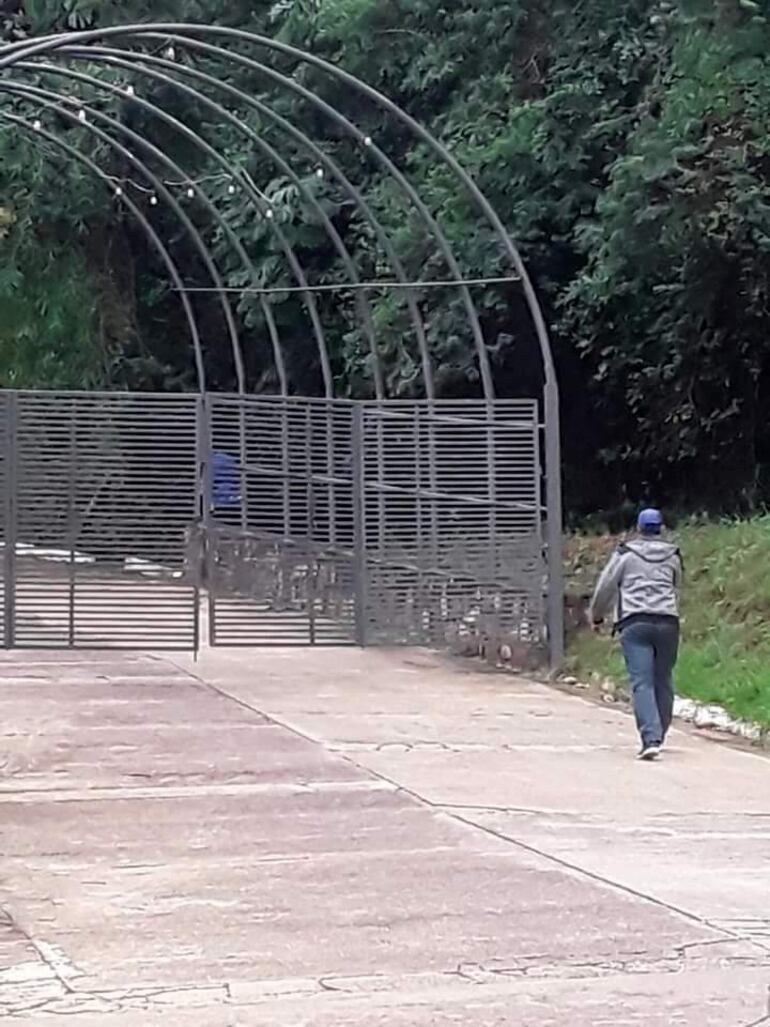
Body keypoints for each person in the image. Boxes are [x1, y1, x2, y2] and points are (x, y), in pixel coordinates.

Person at [589, 508, 683, 761]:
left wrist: (597, 615)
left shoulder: (625, 555)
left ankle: (650, 739)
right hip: (667, 622)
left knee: (642, 681)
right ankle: (659, 734)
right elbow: (677, 586)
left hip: (635, 623)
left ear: (638, 529)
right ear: (661, 528)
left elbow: (606, 586)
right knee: (662, 678)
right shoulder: (672, 555)